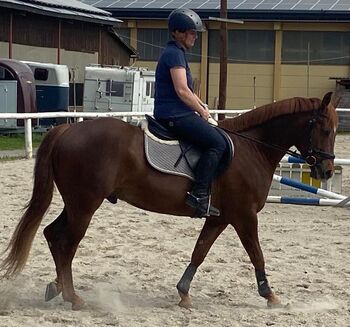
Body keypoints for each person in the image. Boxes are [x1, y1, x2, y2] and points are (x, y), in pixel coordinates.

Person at [153, 8, 227, 218]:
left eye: (195, 33)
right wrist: (202, 112)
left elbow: (189, 92)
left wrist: (201, 105)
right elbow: (182, 90)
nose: (195, 36)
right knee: (217, 143)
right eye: (191, 32)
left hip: (177, 112)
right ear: (177, 32)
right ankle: (199, 195)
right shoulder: (174, 54)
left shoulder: (177, 52)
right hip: (174, 115)